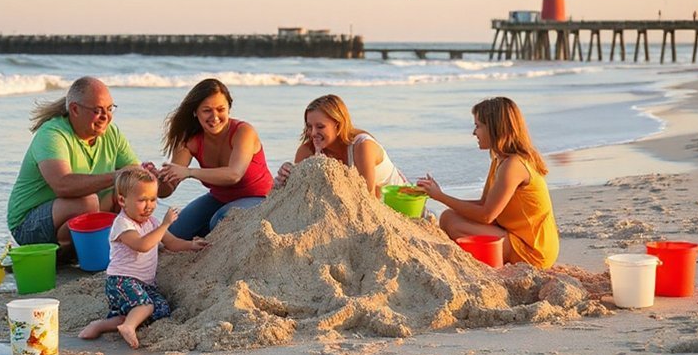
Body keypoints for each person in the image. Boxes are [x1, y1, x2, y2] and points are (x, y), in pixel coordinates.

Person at [7, 77, 140, 261]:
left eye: (110, 109)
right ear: (75, 109)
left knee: (126, 191)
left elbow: (133, 172)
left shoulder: (111, 133)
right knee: (87, 202)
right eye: (97, 111)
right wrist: (117, 176)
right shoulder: (52, 133)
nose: (105, 117)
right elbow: (63, 185)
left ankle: (109, 246)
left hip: (72, 215)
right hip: (28, 225)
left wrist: (150, 174)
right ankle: (65, 255)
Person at [416, 97, 559, 268]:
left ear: (494, 128)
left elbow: (486, 215)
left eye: (478, 126)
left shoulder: (514, 165)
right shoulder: (500, 160)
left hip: (532, 251)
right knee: (448, 216)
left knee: (453, 223)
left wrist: (441, 197)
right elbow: (484, 203)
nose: (474, 133)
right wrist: (439, 195)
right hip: (515, 235)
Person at [78, 167, 206, 348]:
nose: (149, 206)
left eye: (153, 199)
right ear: (122, 200)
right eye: (142, 200)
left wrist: (191, 245)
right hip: (121, 281)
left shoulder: (152, 222)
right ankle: (128, 327)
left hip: (144, 284)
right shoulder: (123, 224)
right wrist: (165, 224)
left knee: (161, 310)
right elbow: (142, 245)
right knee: (145, 306)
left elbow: (172, 242)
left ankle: (104, 325)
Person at [156, 78, 274, 238]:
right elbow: (166, 190)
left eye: (220, 109)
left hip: (259, 197)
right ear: (195, 112)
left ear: (229, 109)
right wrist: (157, 180)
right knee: (174, 232)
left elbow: (234, 174)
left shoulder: (243, 132)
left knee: (219, 221)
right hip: (219, 198)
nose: (215, 116)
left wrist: (189, 172)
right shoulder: (189, 139)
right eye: (207, 110)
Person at [275, 94, 406, 198]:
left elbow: (368, 198)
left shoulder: (363, 146)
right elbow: (295, 197)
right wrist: (284, 180)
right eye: (309, 126)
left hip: (402, 202)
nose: (313, 133)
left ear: (338, 126)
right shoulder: (307, 151)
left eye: (320, 126)